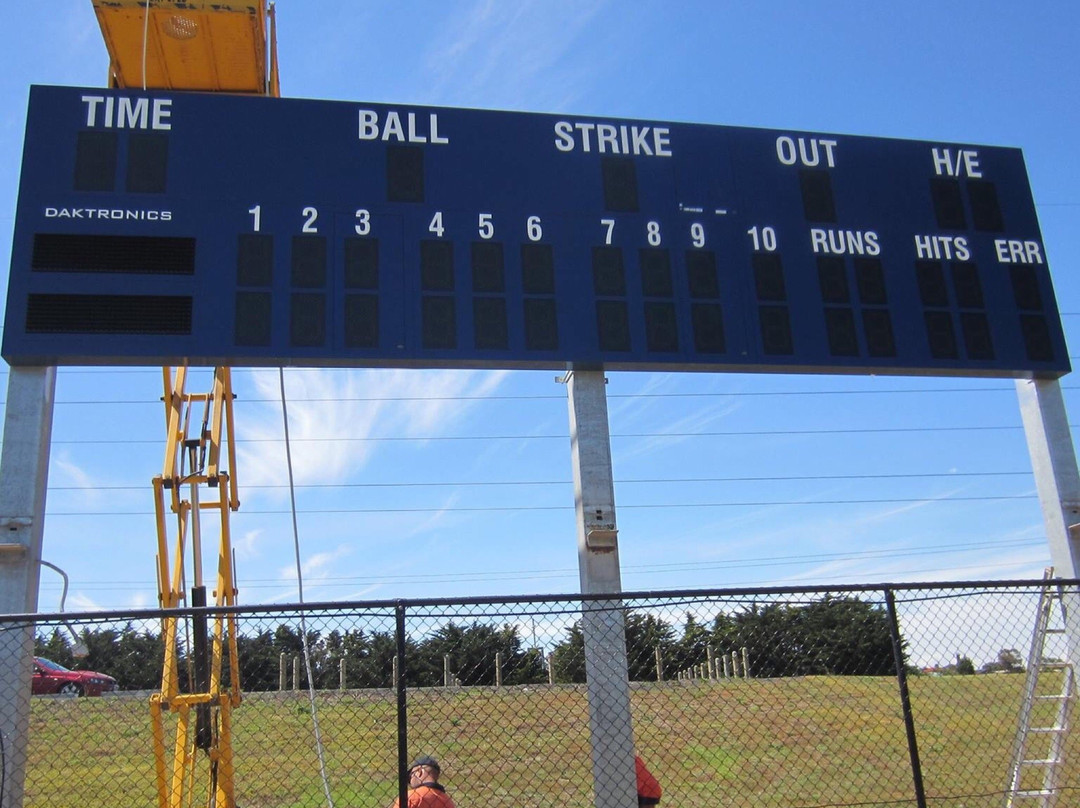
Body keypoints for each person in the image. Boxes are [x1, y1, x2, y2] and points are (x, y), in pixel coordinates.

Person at [392, 755, 456, 808]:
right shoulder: (448, 801)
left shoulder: (411, 796)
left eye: (411, 776)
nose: (410, 782)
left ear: (419, 772)